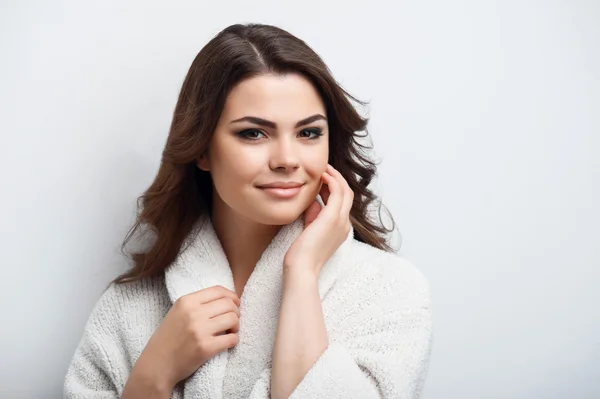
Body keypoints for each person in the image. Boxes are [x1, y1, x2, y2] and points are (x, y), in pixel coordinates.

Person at [63, 23, 433, 399]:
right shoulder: (129, 308)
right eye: (253, 133)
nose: (288, 160)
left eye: (308, 133)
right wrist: (152, 376)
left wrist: (302, 274)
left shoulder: (388, 290)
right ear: (202, 150)